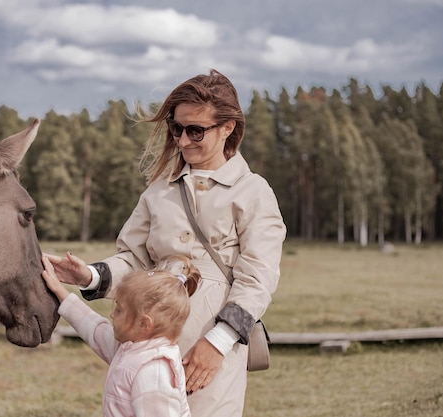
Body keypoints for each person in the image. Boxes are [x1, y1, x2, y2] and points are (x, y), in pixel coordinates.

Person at [45, 69, 286, 417]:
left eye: (195, 130)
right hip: (147, 339)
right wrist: (89, 276)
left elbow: (258, 279)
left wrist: (217, 344)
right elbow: (132, 260)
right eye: (177, 129)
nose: (183, 140)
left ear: (227, 128)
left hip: (212, 345)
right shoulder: (158, 190)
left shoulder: (254, 191)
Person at [41, 254, 201, 417]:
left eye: (119, 309)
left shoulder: (153, 372)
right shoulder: (132, 347)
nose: (111, 314)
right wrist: (59, 291)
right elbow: (95, 329)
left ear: (144, 324)